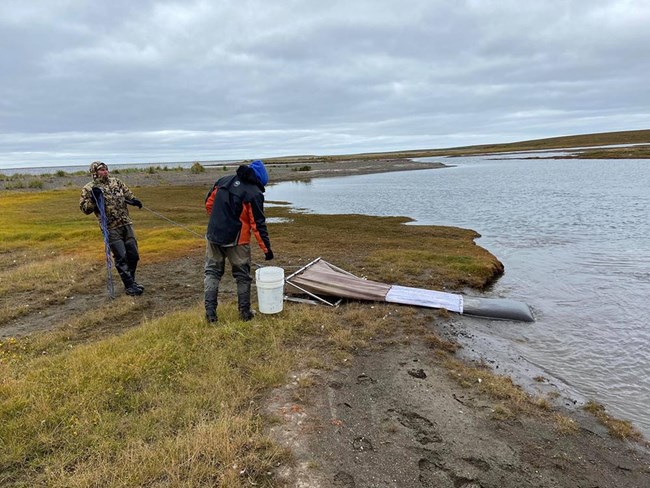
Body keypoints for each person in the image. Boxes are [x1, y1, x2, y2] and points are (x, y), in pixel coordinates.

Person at [204, 159, 273, 323]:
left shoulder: (223, 181)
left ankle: (210, 315)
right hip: (238, 240)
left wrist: (220, 221)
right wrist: (267, 249)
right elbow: (258, 224)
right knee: (242, 276)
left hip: (213, 235)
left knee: (212, 273)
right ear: (261, 178)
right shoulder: (254, 193)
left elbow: (209, 204)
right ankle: (245, 313)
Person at [79, 161, 145, 296]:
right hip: (110, 227)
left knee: (134, 255)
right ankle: (129, 286)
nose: (105, 172)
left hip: (126, 223)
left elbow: (128, 194)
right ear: (94, 172)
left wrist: (134, 200)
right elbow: (85, 209)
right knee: (121, 256)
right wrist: (94, 198)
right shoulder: (89, 188)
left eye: (106, 169)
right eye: (101, 170)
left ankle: (131, 280)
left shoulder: (116, 182)